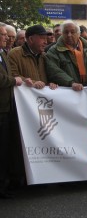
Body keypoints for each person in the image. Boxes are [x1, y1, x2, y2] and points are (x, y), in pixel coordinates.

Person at [0, 22, 23, 198]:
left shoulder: (3, 54)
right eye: (3, 35)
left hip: (6, 108)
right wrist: (15, 81)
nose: (6, 38)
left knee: (5, 149)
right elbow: (3, 79)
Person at [46, 20, 87, 91]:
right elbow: (54, 71)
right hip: (68, 92)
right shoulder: (53, 51)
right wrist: (71, 83)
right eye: (66, 32)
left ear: (78, 34)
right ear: (62, 34)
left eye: (72, 32)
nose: (69, 35)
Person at [8, 25, 58, 90]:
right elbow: (12, 75)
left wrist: (51, 83)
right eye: (42, 38)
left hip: (41, 97)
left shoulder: (44, 56)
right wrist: (32, 82)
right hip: (24, 98)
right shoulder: (14, 54)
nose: (45, 42)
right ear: (31, 39)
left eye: (46, 38)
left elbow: (50, 75)